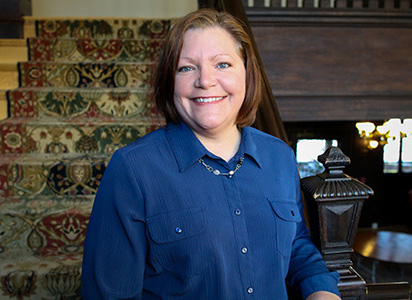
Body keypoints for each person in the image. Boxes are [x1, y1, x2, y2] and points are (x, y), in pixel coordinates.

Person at [81, 8, 341, 300]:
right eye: (187, 67)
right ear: (170, 81)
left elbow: (295, 246)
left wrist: (321, 289)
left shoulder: (279, 156)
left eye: (222, 64)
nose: (205, 81)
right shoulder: (133, 169)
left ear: (247, 73)